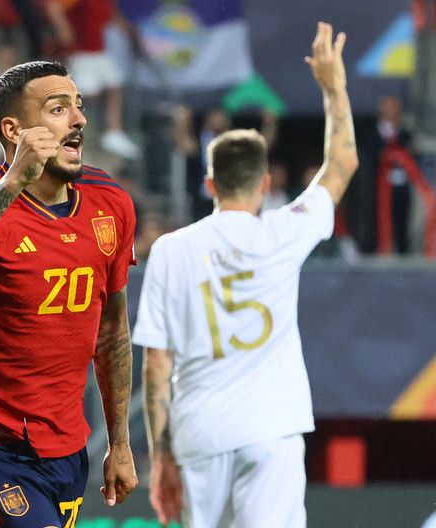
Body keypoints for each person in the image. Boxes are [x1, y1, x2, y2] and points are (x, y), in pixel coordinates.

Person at [134, 23, 359, 528]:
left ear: (210, 183)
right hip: (271, 429)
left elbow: (155, 367)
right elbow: (342, 161)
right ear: (263, 184)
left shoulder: (171, 250)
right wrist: (333, 87)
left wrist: (161, 456)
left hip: (199, 435)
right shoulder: (285, 232)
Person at [0, 60, 138, 527]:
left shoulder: (110, 202)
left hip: (65, 445)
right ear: (13, 129)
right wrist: (12, 182)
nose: (79, 119)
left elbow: (112, 331)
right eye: (58, 108)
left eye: (78, 107)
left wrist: (119, 443)